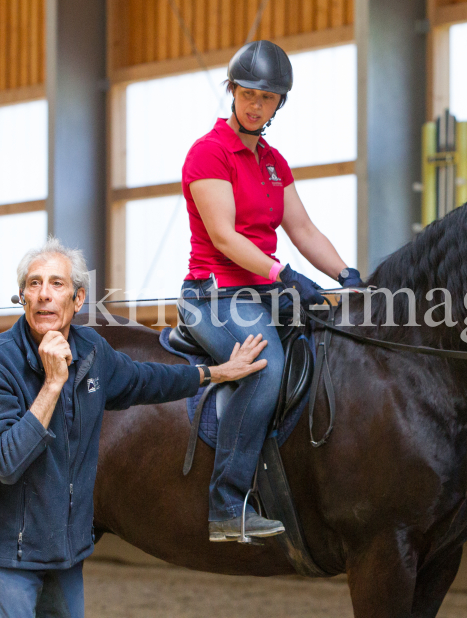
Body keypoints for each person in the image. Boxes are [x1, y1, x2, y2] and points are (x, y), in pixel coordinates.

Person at [0, 237, 268, 618]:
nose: (44, 295)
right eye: (34, 284)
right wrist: (53, 384)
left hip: (67, 554)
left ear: (78, 298)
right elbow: (4, 461)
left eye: (57, 284)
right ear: (22, 297)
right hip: (10, 557)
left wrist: (215, 372)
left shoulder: (91, 350)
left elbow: (146, 379)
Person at [178, 39, 363, 542]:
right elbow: (224, 236)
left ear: (279, 103)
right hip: (215, 296)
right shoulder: (209, 153)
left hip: (265, 291)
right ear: (232, 91)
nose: (255, 104)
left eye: (267, 97)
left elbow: (302, 230)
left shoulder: (274, 162)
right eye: (247, 93)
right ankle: (226, 503)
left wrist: (347, 276)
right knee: (266, 367)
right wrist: (284, 275)